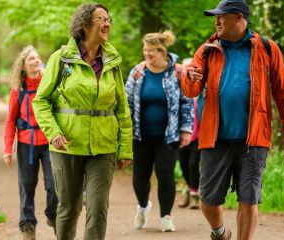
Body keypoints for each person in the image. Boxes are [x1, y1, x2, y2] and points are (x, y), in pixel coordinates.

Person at [181, 0, 284, 239]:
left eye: (221, 16)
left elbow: (283, 94)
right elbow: (190, 91)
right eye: (215, 17)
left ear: (238, 18)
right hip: (215, 139)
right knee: (208, 200)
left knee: (249, 198)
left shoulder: (267, 48)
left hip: (253, 139)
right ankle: (220, 232)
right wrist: (190, 78)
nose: (216, 21)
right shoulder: (207, 49)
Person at [31, 3, 133, 239]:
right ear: (85, 23)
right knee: (69, 209)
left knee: (98, 209)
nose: (107, 23)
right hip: (67, 145)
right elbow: (41, 101)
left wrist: (125, 148)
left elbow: (122, 109)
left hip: (104, 146)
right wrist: (53, 132)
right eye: (101, 19)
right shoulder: (62, 58)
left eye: (109, 20)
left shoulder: (112, 61)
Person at [125, 30, 194, 232]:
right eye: (145, 50)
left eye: (151, 51)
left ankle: (166, 216)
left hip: (168, 136)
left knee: (165, 174)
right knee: (140, 176)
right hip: (140, 135)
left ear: (162, 51)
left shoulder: (177, 72)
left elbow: (187, 102)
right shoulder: (137, 72)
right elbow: (127, 102)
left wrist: (186, 130)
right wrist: (124, 129)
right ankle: (143, 206)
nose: (146, 54)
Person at [3, 46, 58, 240]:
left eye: (37, 57)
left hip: (51, 141)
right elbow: (10, 121)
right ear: (23, 67)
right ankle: (27, 225)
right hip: (27, 143)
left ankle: (54, 215)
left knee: (55, 185)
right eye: (31, 59)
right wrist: (8, 148)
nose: (36, 61)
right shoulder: (19, 89)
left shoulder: (50, 83)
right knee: (26, 185)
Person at [177, 58, 202, 210]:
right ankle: (188, 190)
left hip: (198, 137)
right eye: (186, 69)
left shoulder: (201, 92)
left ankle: (194, 195)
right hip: (181, 137)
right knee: (184, 166)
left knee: (193, 165)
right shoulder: (178, 91)